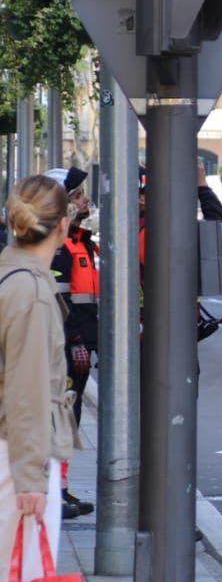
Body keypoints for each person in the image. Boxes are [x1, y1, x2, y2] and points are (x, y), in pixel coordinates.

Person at [0, 176, 80, 582]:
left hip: (12, 454)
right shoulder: (29, 290)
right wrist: (32, 479)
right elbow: (26, 391)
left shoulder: (9, 274)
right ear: (64, 227)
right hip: (17, 460)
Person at [44, 169, 95, 521]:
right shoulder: (57, 247)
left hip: (76, 348)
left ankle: (60, 491)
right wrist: (73, 340)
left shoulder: (79, 240)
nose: (85, 200)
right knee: (57, 420)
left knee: (68, 421)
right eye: (78, 195)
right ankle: (52, 494)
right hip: (63, 350)